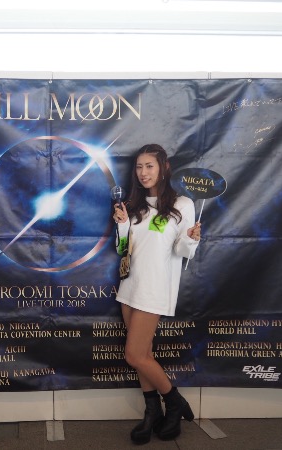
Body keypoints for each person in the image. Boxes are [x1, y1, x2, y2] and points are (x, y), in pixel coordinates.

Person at [113, 144, 201, 445]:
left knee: (134, 355)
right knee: (144, 356)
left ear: (164, 167)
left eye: (149, 166)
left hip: (155, 288)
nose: (143, 172)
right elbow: (123, 249)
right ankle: (153, 413)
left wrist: (191, 240)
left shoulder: (183, 204)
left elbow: (182, 251)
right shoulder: (134, 205)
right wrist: (122, 225)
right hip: (130, 286)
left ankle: (174, 402)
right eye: (139, 167)